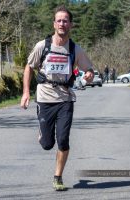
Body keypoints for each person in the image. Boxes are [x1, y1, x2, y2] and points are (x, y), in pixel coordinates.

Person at [20, 5, 94, 191]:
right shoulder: (42, 46)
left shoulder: (75, 49)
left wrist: (89, 75)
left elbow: (89, 69)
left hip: (65, 99)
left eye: (65, 21)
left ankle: (58, 177)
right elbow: (29, 67)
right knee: (47, 144)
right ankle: (42, 132)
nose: (62, 23)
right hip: (44, 98)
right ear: (54, 24)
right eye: (59, 20)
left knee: (63, 140)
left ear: (71, 24)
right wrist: (26, 92)